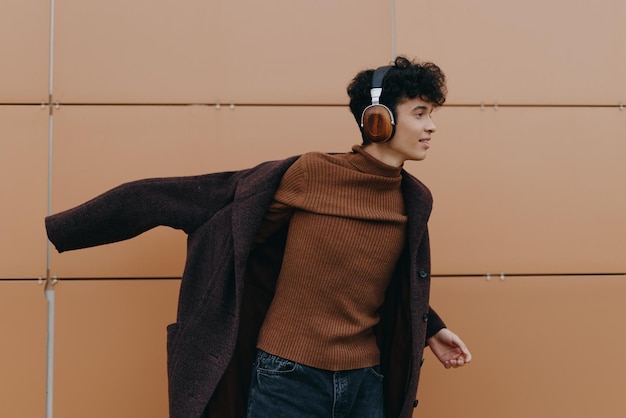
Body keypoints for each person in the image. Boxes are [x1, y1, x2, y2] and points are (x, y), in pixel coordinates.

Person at [45, 55, 471, 418]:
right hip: (288, 378)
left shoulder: (413, 199)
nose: (431, 126)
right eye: (420, 113)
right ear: (378, 120)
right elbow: (175, 198)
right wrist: (65, 229)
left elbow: (378, 274)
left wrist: (432, 327)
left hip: (366, 382)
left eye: (432, 114)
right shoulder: (310, 173)